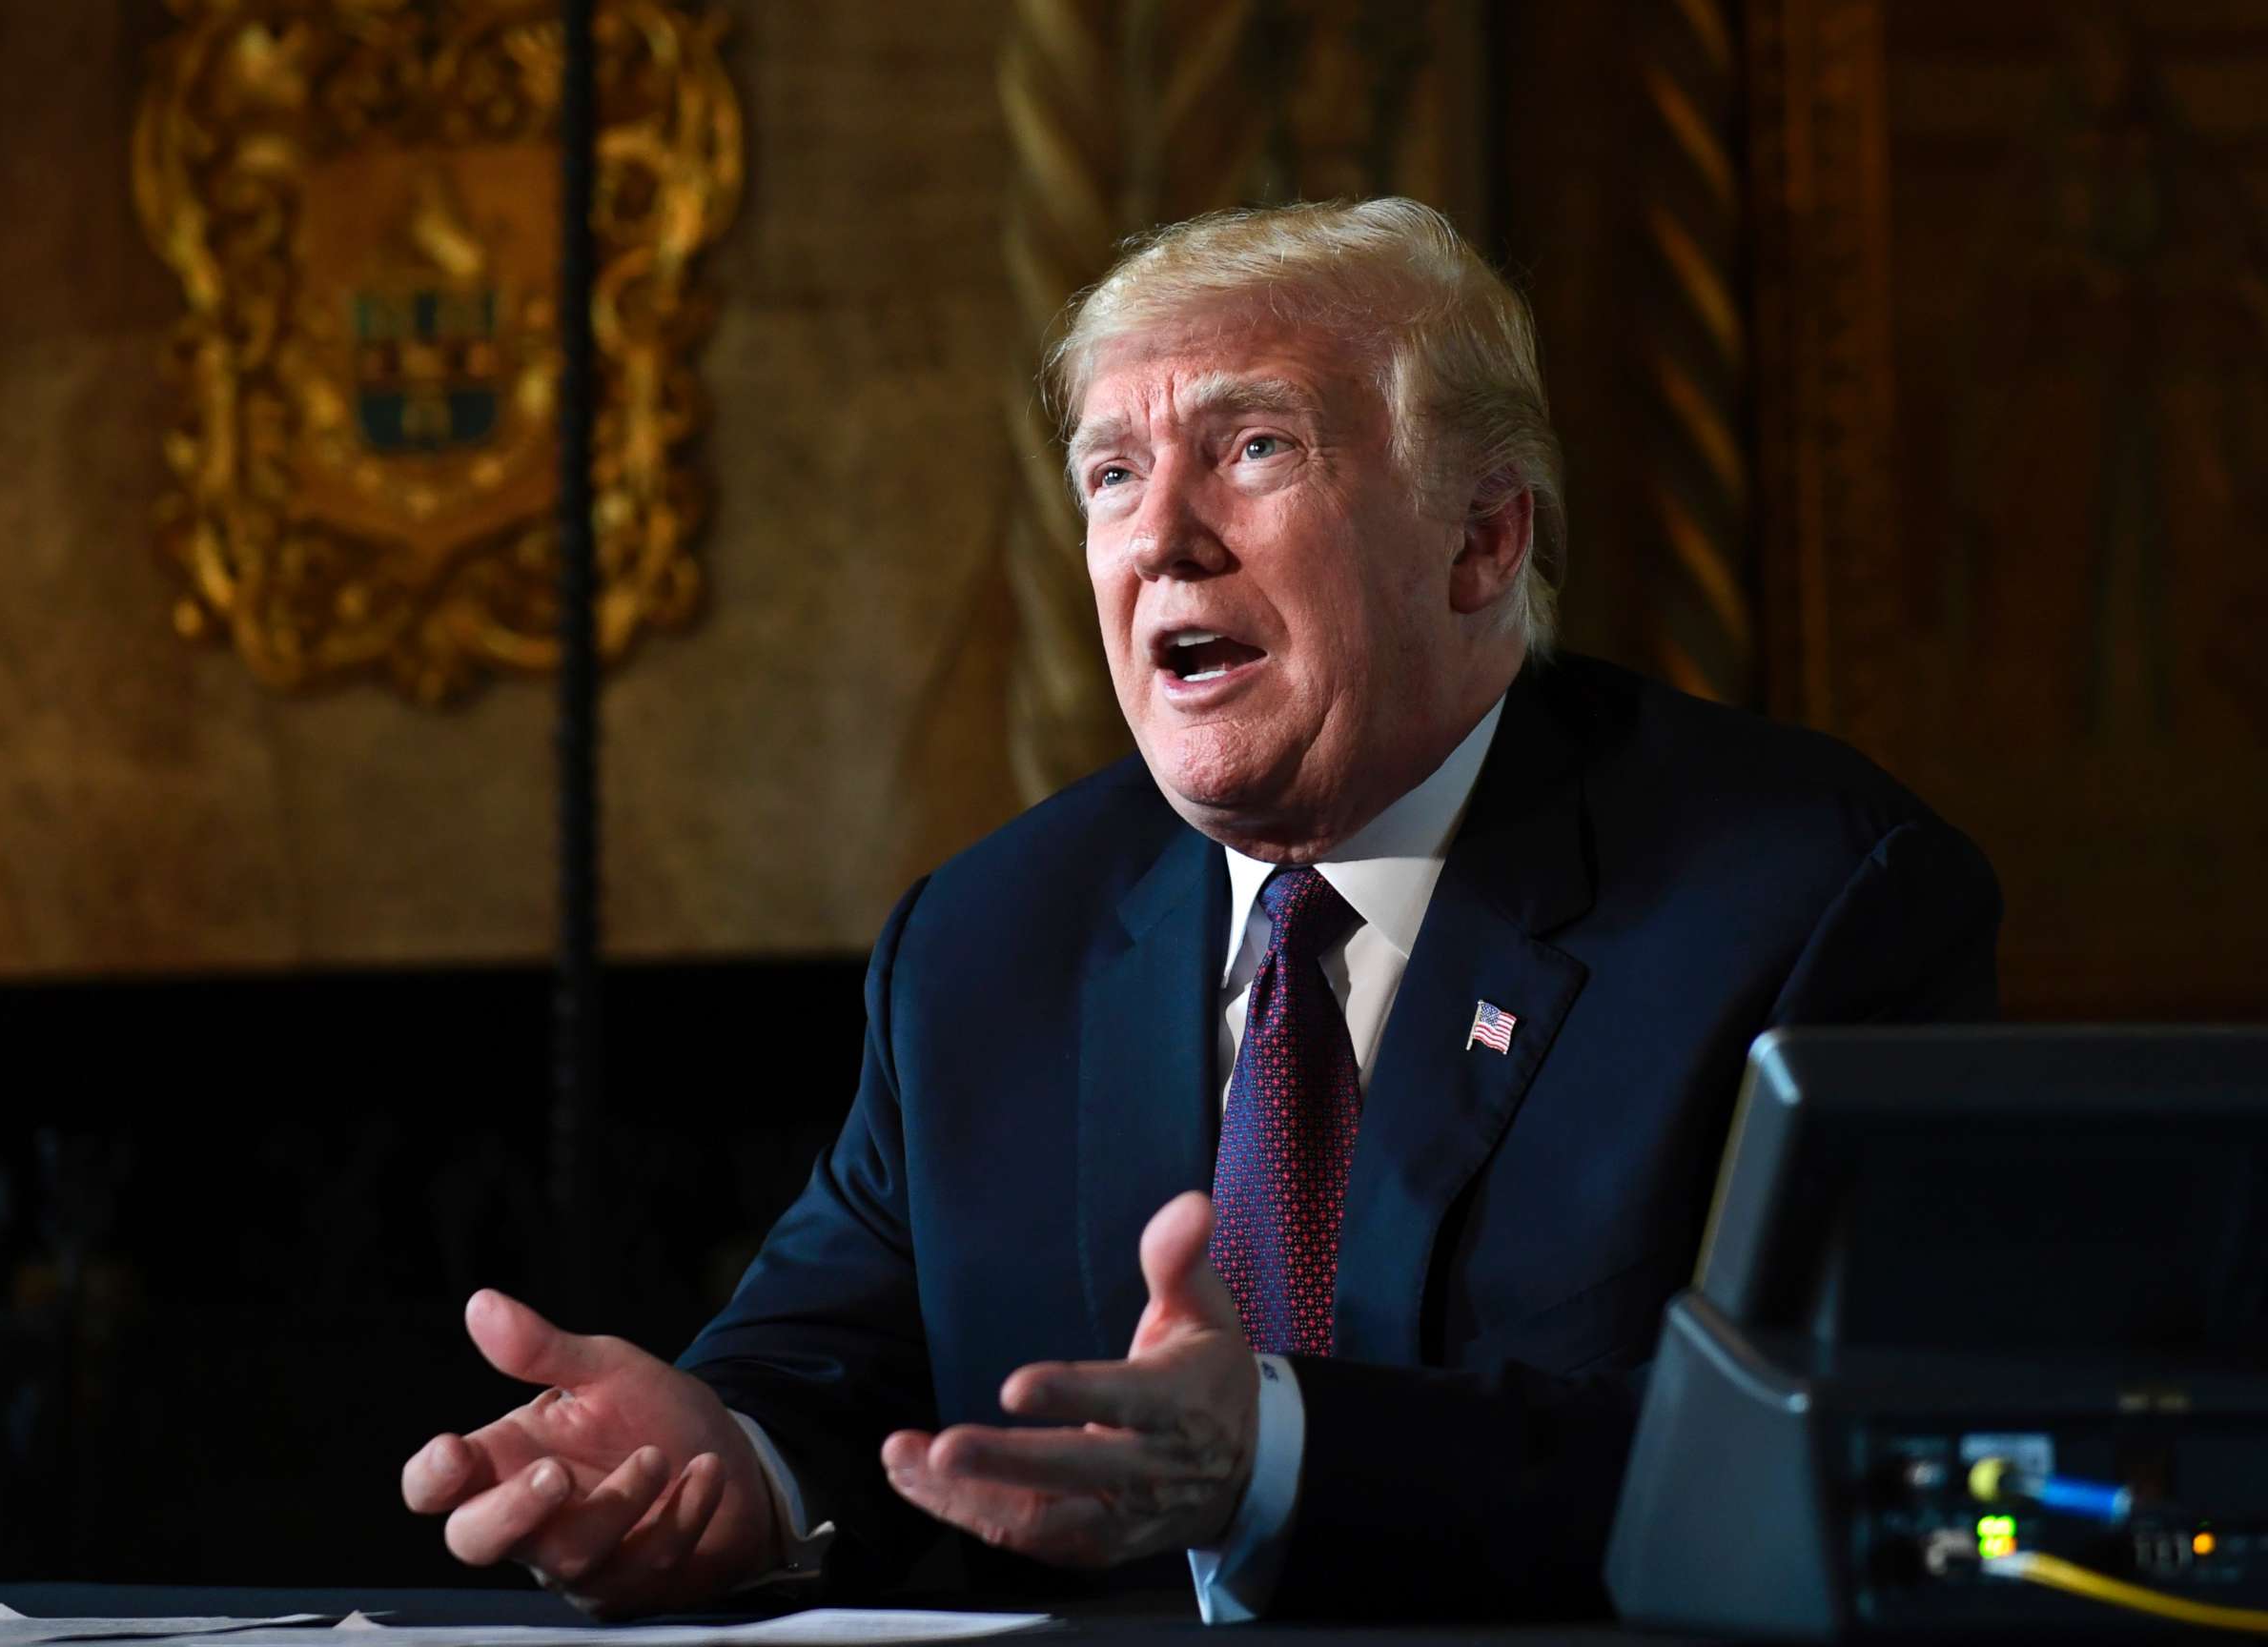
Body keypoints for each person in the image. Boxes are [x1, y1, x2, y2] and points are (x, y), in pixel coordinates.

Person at [398, 198, 2000, 1621]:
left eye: (1254, 449)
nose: (1160, 537)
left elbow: (1828, 1462)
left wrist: (1281, 1457)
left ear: (1481, 539)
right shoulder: (987, 940)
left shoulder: (1805, 900)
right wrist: (725, 1472)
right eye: (1111, 472)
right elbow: (829, 1367)